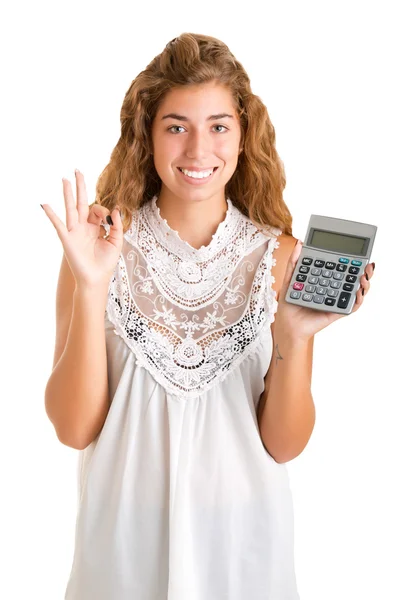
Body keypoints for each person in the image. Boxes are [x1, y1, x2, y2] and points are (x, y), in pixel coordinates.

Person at [42, 32, 375, 600]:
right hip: (121, 548)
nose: (198, 150)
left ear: (244, 137)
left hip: (244, 549)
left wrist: (293, 337)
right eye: (177, 126)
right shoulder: (97, 250)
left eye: (218, 126)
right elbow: (74, 430)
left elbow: (285, 445)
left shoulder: (281, 257)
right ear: (147, 136)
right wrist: (92, 286)